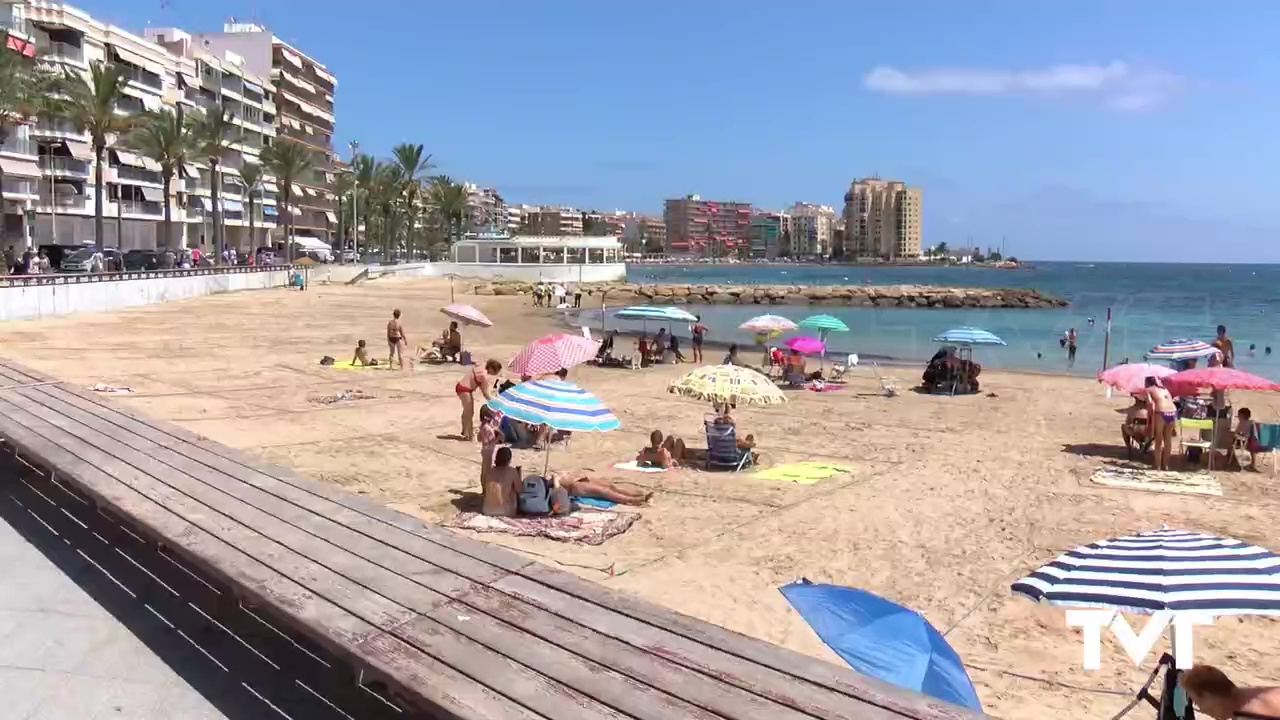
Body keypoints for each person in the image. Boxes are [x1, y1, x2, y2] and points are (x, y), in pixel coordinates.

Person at [1180, 664, 1280, 720]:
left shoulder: (1249, 713)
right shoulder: (1250, 696)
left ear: (1208, 696)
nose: (1201, 709)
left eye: (1197, 702)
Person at [456, 359, 503, 441]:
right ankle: (470, 436)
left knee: (466, 411)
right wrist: (493, 402)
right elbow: (485, 393)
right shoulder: (484, 376)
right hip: (464, 389)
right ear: (492, 368)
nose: (495, 374)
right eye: (496, 371)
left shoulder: (482, 366)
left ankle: (465, 431)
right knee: (469, 413)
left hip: (461, 386)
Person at [550, 470, 652, 506]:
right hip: (574, 487)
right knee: (604, 491)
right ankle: (634, 500)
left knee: (610, 486)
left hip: (578, 480)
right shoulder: (549, 483)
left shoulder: (548, 478)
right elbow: (557, 489)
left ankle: (633, 494)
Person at [1144, 376, 1178, 471]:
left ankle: (1157, 465)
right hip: (1172, 412)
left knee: (1158, 440)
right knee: (1168, 440)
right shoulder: (1165, 389)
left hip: (1161, 412)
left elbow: (1150, 404)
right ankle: (1166, 465)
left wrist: (1150, 417)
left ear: (1147, 382)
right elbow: (1171, 400)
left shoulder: (1148, 390)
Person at [482, 447, 521, 517]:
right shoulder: (512, 471)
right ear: (509, 459)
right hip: (505, 511)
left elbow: (485, 488)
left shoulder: (490, 471)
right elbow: (520, 490)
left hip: (487, 510)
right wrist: (519, 476)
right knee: (513, 490)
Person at [478, 405, 502, 485]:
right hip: (488, 450)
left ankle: (483, 488)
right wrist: (498, 437)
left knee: (484, 469)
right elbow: (490, 440)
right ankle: (485, 488)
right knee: (487, 470)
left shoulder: (482, 426)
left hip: (484, 449)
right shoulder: (488, 428)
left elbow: (479, 439)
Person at [1236, 407, 1261, 472]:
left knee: (1230, 439)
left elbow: (1237, 433)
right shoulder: (1252, 423)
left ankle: (1231, 459)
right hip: (1257, 444)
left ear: (1241, 416)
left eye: (1238, 415)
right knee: (1252, 442)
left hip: (1245, 443)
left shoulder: (1242, 423)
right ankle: (1253, 463)